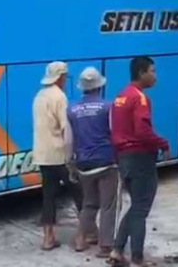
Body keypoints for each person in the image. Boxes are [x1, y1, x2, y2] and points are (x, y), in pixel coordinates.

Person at [109, 57, 170, 267]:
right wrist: (163, 143)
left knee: (135, 206)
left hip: (124, 158)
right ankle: (137, 257)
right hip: (140, 159)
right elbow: (142, 130)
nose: (155, 75)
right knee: (141, 208)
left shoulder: (121, 96)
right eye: (152, 71)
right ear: (142, 73)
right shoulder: (140, 99)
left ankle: (117, 250)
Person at [33, 61, 83, 251]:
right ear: (60, 77)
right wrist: (73, 155)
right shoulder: (59, 97)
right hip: (60, 155)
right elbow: (66, 129)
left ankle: (48, 238)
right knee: (79, 193)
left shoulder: (39, 96)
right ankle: (83, 237)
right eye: (65, 76)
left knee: (49, 196)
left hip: (43, 155)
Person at [67, 67, 117, 257]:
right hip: (105, 163)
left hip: (84, 165)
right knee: (108, 205)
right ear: (99, 86)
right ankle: (105, 246)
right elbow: (114, 133)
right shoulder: (107, 106)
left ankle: (81, 239)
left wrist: (70, 164)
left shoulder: (72, 110)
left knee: (89, 203)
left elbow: (68, 141)